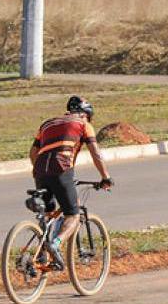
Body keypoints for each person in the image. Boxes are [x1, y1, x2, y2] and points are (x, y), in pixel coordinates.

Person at [30, 95, 113, 268]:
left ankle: (42, 254)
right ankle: (56, 243)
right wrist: (105, 177)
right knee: (73, 214)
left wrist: (40, 173)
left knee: (49, 213)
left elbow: (33, 153)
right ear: (85, 115)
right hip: (61, 169)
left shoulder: (47, 124)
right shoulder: (83, 124)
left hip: (39, 171)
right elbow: (95, 153)